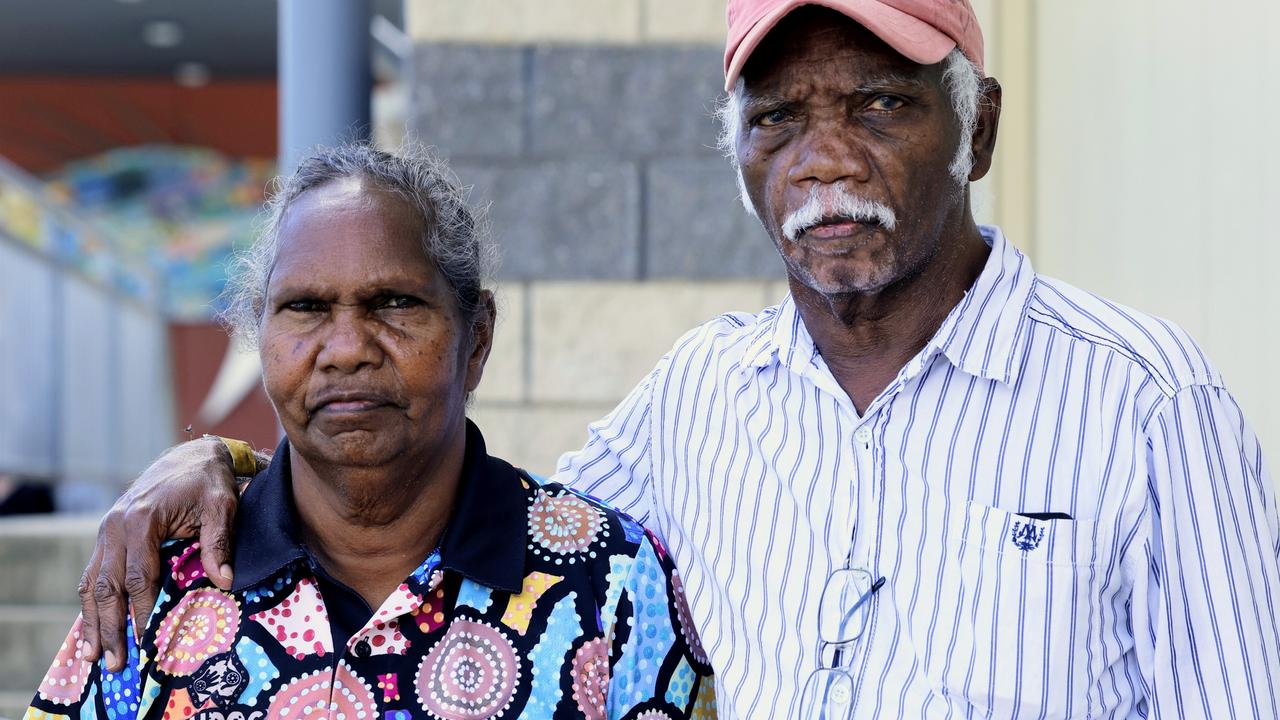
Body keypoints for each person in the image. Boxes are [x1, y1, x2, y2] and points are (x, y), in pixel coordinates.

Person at [77, 1, 1280, 718]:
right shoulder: (700, 396)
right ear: (740, 156)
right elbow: (476, 518)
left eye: (877, 106)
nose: (824, 159)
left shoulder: (1145, 404)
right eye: (776, 119)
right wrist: (232, 462)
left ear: (977, 129)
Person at [28, 146, 714, 720]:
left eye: (394, 302)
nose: (347, 347)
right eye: (305, 307)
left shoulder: (611, 581)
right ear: (259, 337)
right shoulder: (165, 586)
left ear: (476, 339)